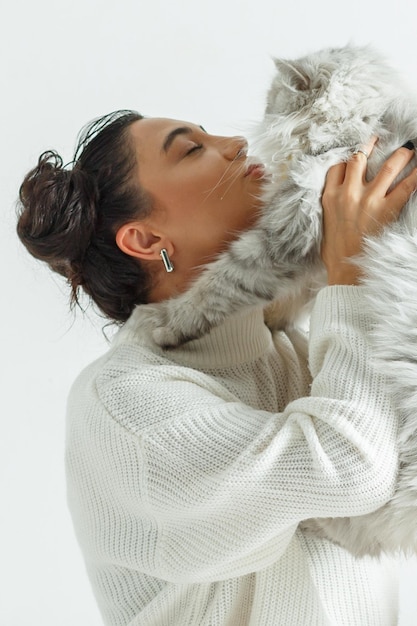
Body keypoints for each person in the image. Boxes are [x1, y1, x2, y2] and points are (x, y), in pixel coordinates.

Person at [17, 110, 417, 626]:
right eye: (190, 149)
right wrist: (350, 271)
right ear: (144, 240)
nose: (234, 143)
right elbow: (349, 468)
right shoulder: (120, 403)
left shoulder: (294, 352)